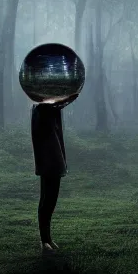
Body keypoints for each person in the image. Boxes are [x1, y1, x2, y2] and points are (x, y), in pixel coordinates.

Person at [31, 92, 78, 255]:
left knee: (49, 200)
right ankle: (44, 240)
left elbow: (57, 105)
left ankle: (47, 239)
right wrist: (68, 98)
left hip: (53, 161)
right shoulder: (41, 110)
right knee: (47, 200)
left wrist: (68, 99)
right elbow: (55, 105)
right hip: (48, 161)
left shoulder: (48, 109)